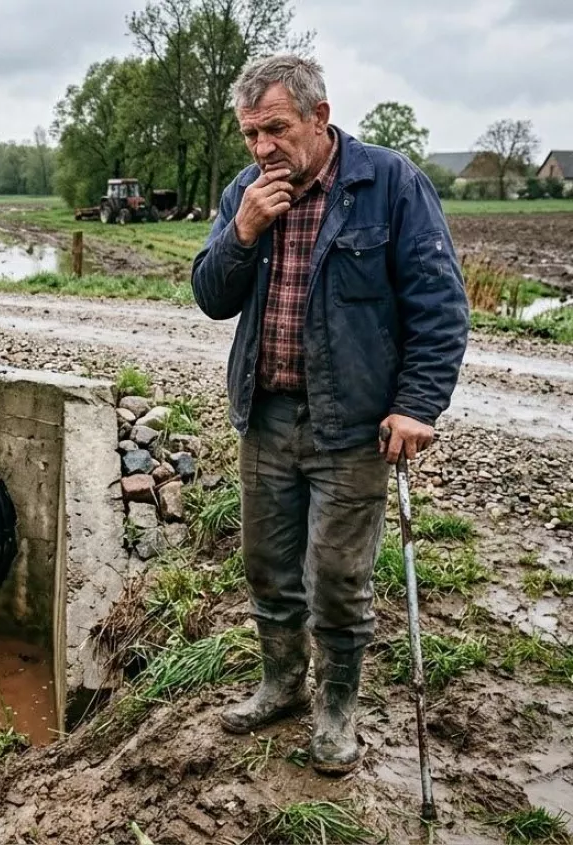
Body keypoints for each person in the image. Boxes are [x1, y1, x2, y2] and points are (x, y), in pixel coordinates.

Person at [190, 54, 469, 775]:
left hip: (353, 425)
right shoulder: (243, 194)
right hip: (268, 416)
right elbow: (212, 295)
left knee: (339, 579)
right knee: (267, 568)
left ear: (320, 115)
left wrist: (416, 404)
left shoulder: (389, 184)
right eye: (250, 134)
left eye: (275, 128)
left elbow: (439, 305)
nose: (261, 148)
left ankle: (336, 708)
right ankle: (280, 683)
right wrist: (240, 232)